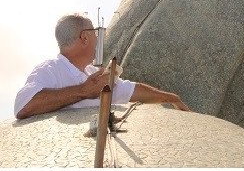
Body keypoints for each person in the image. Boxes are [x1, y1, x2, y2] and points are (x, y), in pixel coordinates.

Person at [15, 13, 190, 119]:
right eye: (96, 34)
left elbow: (130, 90)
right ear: (84, 38)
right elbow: (22, 106)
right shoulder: (50, 70)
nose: (99, 41)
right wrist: (83, 90)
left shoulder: (93, 73)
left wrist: (171, 98)